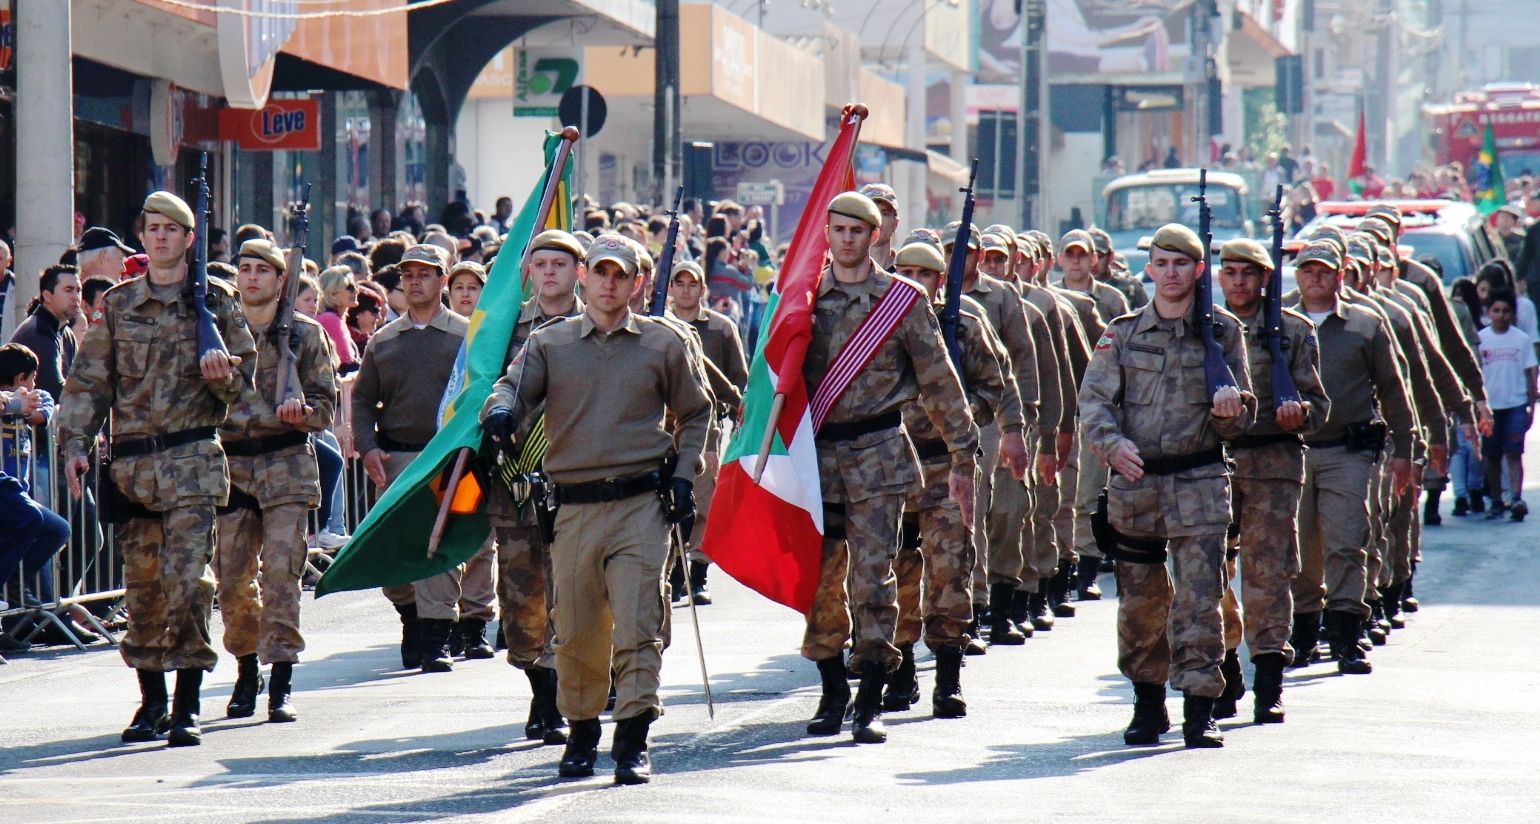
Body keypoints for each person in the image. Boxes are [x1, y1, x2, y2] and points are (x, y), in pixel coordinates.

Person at [481, 232, 712, 785]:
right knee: (578, 631)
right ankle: (582, 732)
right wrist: (502, 413)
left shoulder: (664, 343)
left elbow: (697, 413)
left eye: (621, 275)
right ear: (584, 278)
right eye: (601, 273)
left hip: (640, 503)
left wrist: (685, 476)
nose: (609, 284)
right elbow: (510, 389)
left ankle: (633, 736)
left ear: (637, 283)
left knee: (637, 621)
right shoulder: (550, 343)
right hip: (574, 508)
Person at [57, 190, 256, 747]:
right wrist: (76, 443)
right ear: (142, 237)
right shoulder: (119, 305)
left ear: (190, 239)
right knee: (142, 589)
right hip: (134, 466)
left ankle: (188, 701)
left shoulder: (215, 302)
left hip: (192, 462)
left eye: (173, 229)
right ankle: (151, 700)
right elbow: (90, 382)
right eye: (152, 228)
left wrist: (220, 373)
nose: (162, 236)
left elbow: (245, 389)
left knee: (190, 582)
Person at [800, 193, 976, 745]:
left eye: (859, 230)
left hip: (878, 455)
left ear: (876, 235)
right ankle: (832, 688)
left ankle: (870, 697)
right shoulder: (801, 299)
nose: (848, 239)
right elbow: (774, 379)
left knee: (873, 578)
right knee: (821, 581)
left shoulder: (902, 301)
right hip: (816, 459)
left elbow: (939, 381)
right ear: (826, 234)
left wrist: (963, 455)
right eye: (839, 229)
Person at [1079, 223, 1253, 749]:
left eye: (1182, 264)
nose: (1171, 273)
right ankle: (1148, 703)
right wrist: (1112, 444)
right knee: (1140, 602)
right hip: (1138, 485)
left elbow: (1242, 415)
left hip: (1199, 481)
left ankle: (1200, 708)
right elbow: (1094, 402)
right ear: (1149, 269)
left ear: (1199, 271)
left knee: (1200, 599)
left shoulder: (1223, 333)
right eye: (1162, 263)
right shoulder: (1124, 332)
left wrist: (1231, 410)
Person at [888, 239, 1022, 717]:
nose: (914, 283)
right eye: (905, 273)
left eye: (924, 275)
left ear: (938, 281)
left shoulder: (963, 325)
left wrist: (966, 415)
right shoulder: (877, 329)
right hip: (893, 468)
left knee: (949, 572)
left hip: (947, 466)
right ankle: (899, 674)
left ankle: (948, 677)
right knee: (898, 573)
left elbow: (996, 383)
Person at [215, 239, 337, 723]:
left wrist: (302, 412)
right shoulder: (218, 333)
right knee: (231, 580)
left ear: (280, 279)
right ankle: (247, 666)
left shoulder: (305, 335)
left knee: (282, 573)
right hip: (232, 465)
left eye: (262, 270)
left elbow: (326, 405)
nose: (250, 278)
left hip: (285, 460)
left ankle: (281, 675)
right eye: (244, 269)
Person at [1286, 242, 1416, 677]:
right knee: (1301, 547)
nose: (1315, 279)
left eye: (1324, 271)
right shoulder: (1279, 322)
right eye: (1308, 271)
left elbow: (1394, 390)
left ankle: (1346, 631)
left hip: (1348, 449)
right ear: (1298, 275)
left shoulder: (1364, 323)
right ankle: (1303, 630)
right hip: (1293, 451)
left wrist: (1406, 449)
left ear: (1340, 274)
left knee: (1348, 541)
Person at [1214, 239, 1330, 724]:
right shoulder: (1206, 330)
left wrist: (1296, 414)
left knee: (1268, 574)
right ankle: (1222, 669)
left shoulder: (1294, 332)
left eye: (1248, 273)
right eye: (1230, 272)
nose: (1238, 282)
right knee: (1207, 574)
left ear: (1265, 278)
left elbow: (1319, 407)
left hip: (1274, 464)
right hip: (1214, 464)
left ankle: (1268, 680)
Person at [483, 229, 587, 747]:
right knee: (522, 602)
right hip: (517, 482)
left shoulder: (598, 325)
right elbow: (479, 386)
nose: (550, 272)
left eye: (560, 264)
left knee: (572, 593)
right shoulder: (503, 329)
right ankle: (538, 681)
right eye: (541, 263)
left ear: (578, 272)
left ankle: (557, 700)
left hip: (579, 481)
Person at [352, 244, 469, 674]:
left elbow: (478, 394)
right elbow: (363, 400)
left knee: (439, 549)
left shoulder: (465, 336)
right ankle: (411, 617)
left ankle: (437, 637)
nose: (415, 281)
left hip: (447, 458)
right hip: (397, 459)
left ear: (443, 279)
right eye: (409, 275)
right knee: (394, 554)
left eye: (425, 274)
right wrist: (367, 447)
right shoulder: (384, 341)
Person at [950, 227, 1036, 645]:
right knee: (965, 515)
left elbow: (1018, 364)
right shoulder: (909, 298)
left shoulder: (999, 299)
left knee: (1001, 510)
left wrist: (1019, 426)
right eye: (948, 251)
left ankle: (995, 604)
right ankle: (967, 607)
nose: (955, 259)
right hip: (933, 421)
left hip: (986, 412)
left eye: (963, 251)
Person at [665, 260, 749, 603]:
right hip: (660, 425)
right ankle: (672, 572)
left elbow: (737, 379)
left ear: (703, 289)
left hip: (703, 425)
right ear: (670, 288)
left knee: (701, 500)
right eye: (679, 283)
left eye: (692, 284)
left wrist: (738, 411)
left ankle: (697, 572)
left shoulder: (720, 328)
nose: (686, 290)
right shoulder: (658, 324)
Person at [1477, 291, 1537, 520]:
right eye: (1496, 310)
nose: (1501, 316)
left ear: (1512, 314)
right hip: (1491, 407)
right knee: (1492, 455)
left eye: (1505, 311)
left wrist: (1531, 405)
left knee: (1513, 453)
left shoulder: (1521, 340)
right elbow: (1475, 375)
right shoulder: (1481, 340)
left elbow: (1531, 373)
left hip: (1516, 403)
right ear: (1488, 313)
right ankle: (1496, 499)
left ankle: (1516, 497)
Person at [10, 264, 80, 406]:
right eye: (69, 290)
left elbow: (77, 381)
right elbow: (56, 390)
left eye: (79, 290)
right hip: (27, 423)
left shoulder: (66, 333)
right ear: (47, 295)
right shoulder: (38, 332)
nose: (76, 297)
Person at [1088, 227, 1148, 308]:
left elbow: (1149, 317)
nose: (1094, 263)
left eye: (1099, 256)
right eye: (1088, 256)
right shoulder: (1072, 287)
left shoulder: (1130, 286)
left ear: (1110, 256)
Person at [317, 266, 361, 373]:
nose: (356, 291)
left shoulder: (331, 317)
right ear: (333, 294)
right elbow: (347, 362)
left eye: (355, 285)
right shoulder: (330, 319)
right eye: (350, 287)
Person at [859, 184, 901, 270]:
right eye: (871, 212)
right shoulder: (842, 272)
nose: (878, 220)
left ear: (896, 224)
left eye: (885, 214)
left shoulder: (907, 272)